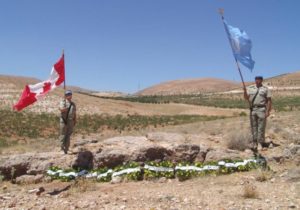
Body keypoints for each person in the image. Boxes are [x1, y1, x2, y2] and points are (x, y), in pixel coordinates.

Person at [243, 76, 272, 154]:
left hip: (262, 109)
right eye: (256, 79)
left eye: (259, 79)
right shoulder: (251, 88)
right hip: (253, 109)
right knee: (253, 127)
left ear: (261, 80)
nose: (257, 81)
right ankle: (254, 142)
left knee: (261, 127)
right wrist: (245, 92)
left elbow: (269, 101)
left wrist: (268, 111)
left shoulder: (265, 89)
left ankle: (260, 143)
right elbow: (246, 98)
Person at [59, 90, 77, 154]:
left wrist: (75, 120)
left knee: (68, 135)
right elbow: (61, 109)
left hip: (70, 121)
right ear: (65, 96)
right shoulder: (63, 102)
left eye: (70, 94)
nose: (69, 95)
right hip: (64, 120)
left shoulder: (73, 104)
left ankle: (67, 148)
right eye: (67, 94)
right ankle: (61, 148)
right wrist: (65, 108)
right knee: (62, 134)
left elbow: (74, 113)